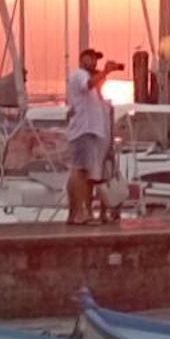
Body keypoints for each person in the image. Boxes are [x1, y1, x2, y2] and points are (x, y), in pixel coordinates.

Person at [65, 47, 119, 226]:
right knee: (80, 171)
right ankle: (80, 213)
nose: (95, 62)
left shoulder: (90, 84)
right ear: (82, 59)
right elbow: (87, 85)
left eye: (97, 59)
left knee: (84, 172)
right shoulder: (80, 75)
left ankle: (78, 213)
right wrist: (105, 72)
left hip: (89, 132)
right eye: (91, 58)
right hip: (84, 131)